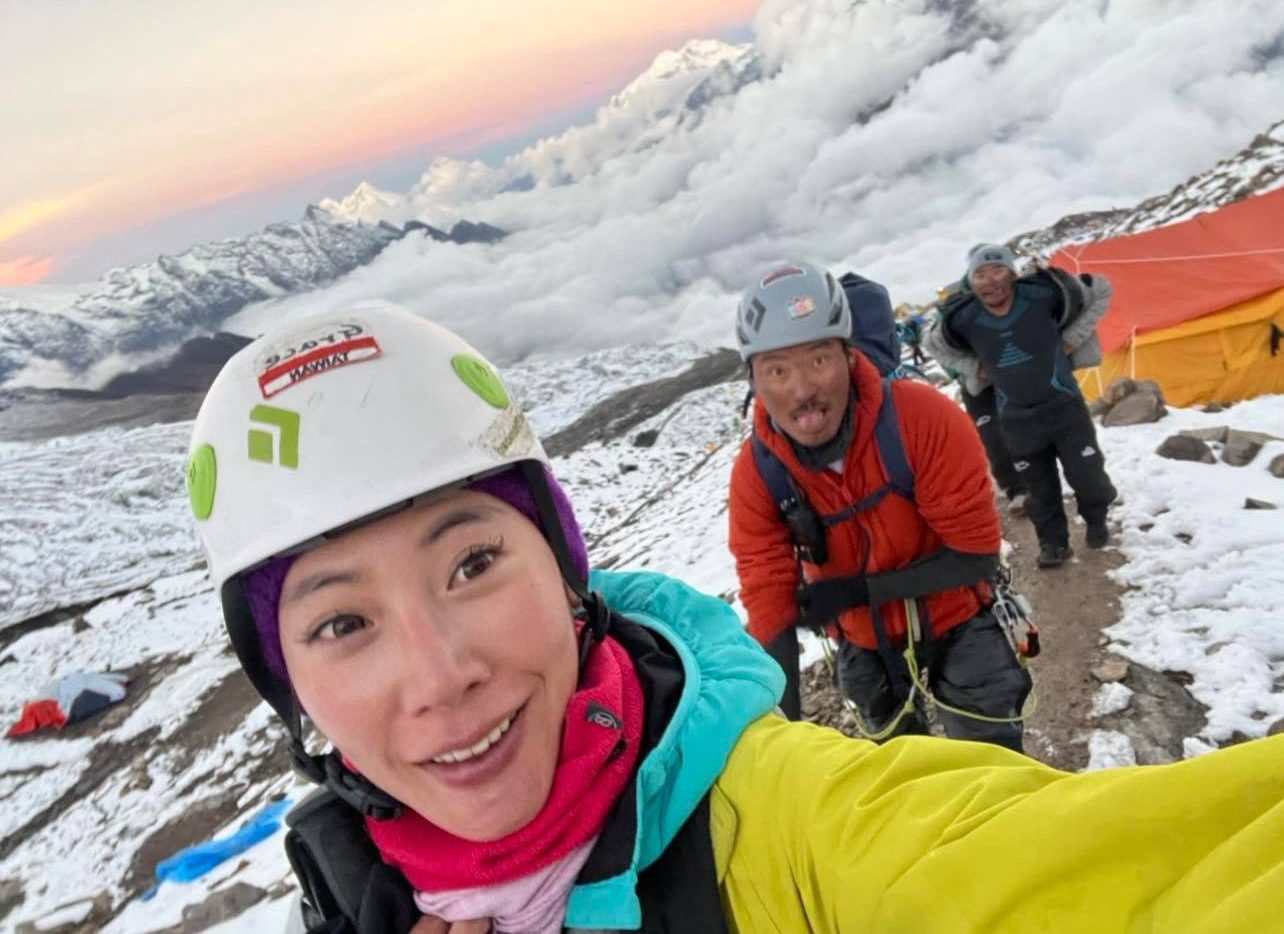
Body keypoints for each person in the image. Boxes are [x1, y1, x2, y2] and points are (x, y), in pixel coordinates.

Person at [188, 305, 1284, 933]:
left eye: (474, 561)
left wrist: (756, 722)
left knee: (977, 731)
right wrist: (781, 644)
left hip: (952, 611)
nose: (440, 674)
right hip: (861, 644)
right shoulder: (345, 893)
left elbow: (1102, 876)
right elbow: (765, 571)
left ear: (570, 576)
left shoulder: (788, 827)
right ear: (290, 687)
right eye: (341, 624)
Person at [727, 261, 1031, 750]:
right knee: (898, 776)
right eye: (777, 370)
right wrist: (780, 745)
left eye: (818, 360)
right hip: (864, 641)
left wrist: (859, 592)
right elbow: (770, 605)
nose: (802, 391)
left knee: (992, 766)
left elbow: (977, 554)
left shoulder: (924, 419)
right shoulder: (759, 474)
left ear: (848, 357)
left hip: (958, 617)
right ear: (754, 382)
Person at [924, 243, 1117, 568]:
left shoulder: (1043, 292)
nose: (990, 280)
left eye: (998, 270)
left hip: (1065, 408)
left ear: (1012, 273)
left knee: (1088, 476)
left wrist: (1073, 338)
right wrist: (975, 368)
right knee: (1038, 489)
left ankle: (1096, 517)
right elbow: (931, 344)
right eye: (980, 274)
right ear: (971, 281)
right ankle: (1053, 544)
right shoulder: (963, 316)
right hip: (1016, 418)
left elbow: (1102, 289)